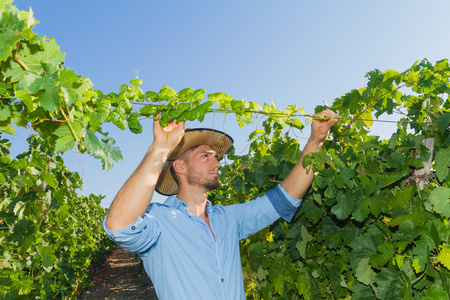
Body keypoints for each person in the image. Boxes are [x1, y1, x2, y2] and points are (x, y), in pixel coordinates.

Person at [103, 109, 339, 300]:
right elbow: (119, 225)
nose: (216, 163)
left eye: (216, 157)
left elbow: (285, 197)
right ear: (180, 167)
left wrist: (315, 142)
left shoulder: (228, 219)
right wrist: (161, 149)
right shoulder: (161, 222)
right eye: (205, 156)